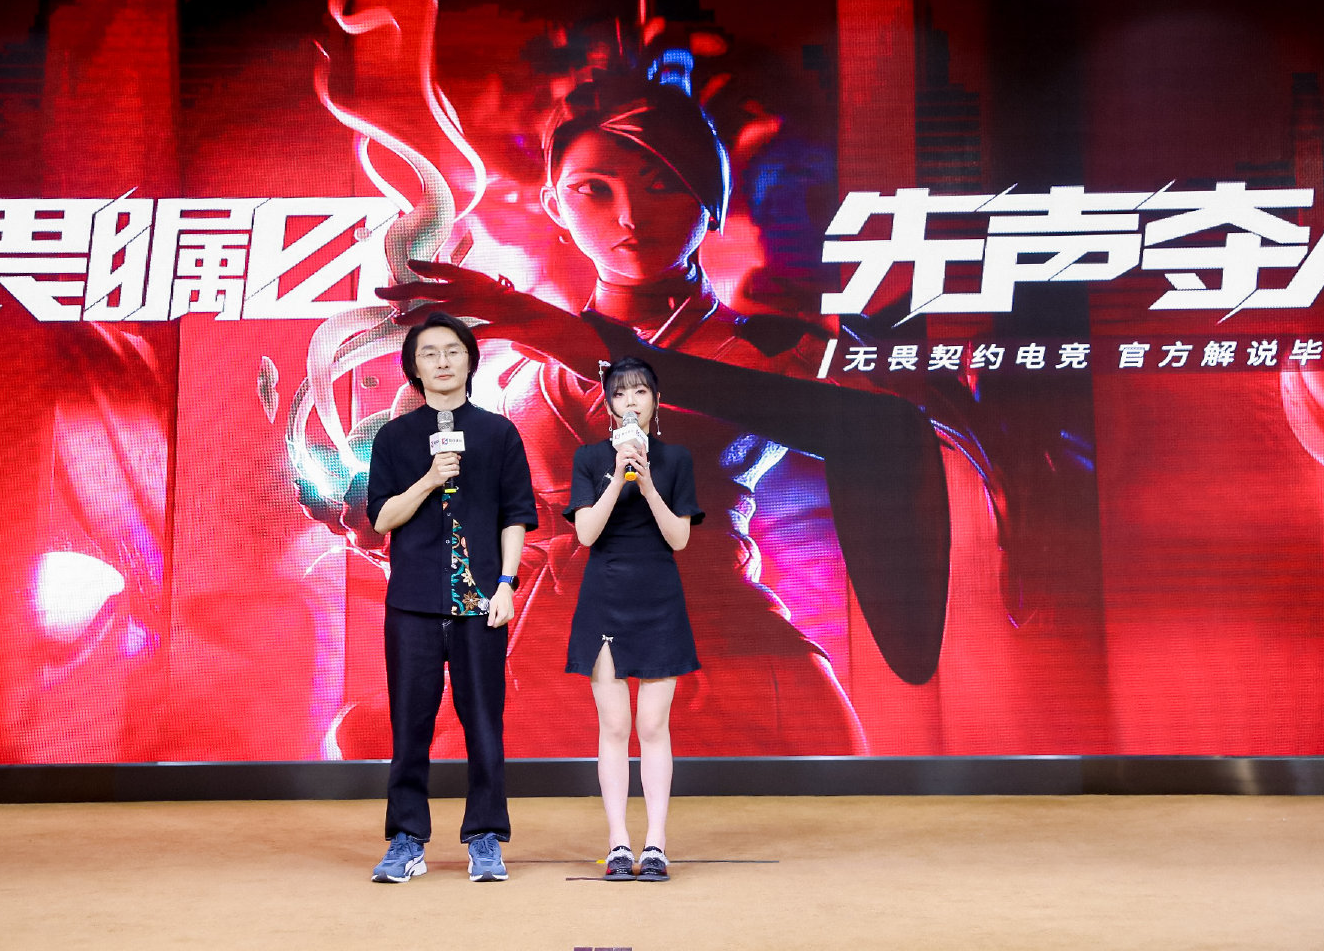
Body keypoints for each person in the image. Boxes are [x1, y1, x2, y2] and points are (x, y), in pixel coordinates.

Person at [378, 65, 950, 758]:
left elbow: (888, 433)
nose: (629, 217)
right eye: (594, 189)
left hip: (725, 647)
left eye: (663, 184)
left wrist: (575, 343)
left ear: (712, 198)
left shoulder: (773, 347)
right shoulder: (512, 368)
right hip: (548, 651)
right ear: (554, 204)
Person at [364, 311, 537, 883]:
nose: (442, 361)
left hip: (480, 604)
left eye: (453, 351)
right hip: (413, 603)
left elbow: (516, 516)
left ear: (469, 360)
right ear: (413, 368)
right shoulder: (393, 437)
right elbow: (382, 518)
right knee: (410, 724)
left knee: (484, 722)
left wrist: (507, 584)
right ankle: (406, 838)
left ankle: (485, 836)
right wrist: (430, 478)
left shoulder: (498, 433)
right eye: (429, 353)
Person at [565, 356, 702, 882]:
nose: (631, 401)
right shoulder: (588, 458)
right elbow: (586, 534)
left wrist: (646, 484)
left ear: (656, 402)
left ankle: (656, 843)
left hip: (659, 599)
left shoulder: (675, 459)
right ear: (608, 405)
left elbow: (680, 538)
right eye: (620, 393)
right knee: (615, 725)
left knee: (652, 725)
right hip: (605, 597)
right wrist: (617, 478)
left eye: (640, 392)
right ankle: (619, 841)